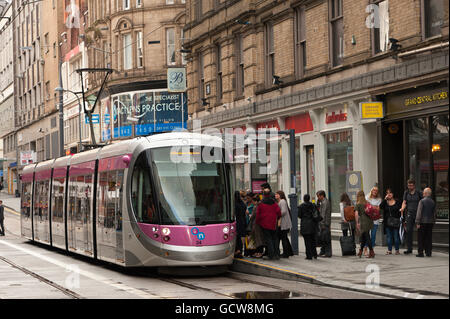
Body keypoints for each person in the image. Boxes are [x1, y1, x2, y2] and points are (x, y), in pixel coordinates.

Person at [255, 186, 281, 260]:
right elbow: (279, 212)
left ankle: (271, 255)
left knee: (268, 239)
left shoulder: (261, 203)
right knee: (275, 239)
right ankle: (277, 254)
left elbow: (258, 214)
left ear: (263, 194)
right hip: (273, 223)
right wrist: (277, 218)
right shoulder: (274, 202)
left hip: (264, 224)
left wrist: (258, 222)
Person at [400, 179, 423, 254]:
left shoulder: (418, 192)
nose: (410, 187)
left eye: (411, 185)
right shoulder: (406, 192)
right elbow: (404, 202)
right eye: (408, 185)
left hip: (418, 213)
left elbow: (422, 202)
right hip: (409, 213)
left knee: (420, 231)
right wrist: (402, 208)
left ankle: (421, 249)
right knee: (409, 230)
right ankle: (409, 248)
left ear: (414, 185)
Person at [415, 188, 437, 257]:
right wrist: (434, 221)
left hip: (422, 222)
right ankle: (428, 252)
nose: (423, 193)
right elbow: (434, 213)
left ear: (426, 193)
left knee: (421, 238)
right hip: (430, 222)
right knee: (429, 237)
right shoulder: (433, 202)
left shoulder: (422, 201)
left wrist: (417, 222)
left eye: (424, 192)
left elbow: (419, 212)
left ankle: (420, 252)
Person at [380, 189, 402, 255]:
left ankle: (397, 250)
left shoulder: (397, 201)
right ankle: (389, 250)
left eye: (390, 193)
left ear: (393, 194)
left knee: (396, 236)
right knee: (389, 236)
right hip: (387, 222)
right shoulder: (385, 202)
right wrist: (384, 199)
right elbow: (380, 207)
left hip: (395, 221)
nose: (389, 194)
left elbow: (400, 210)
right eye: (387, 193)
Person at [355, 190, 375, 258]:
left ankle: (371, 252)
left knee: (367, 237)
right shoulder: (367, 202)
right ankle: (360, 251)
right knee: (364, 236)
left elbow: (356, 214)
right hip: (369, 220)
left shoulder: (358, 204)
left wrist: (357, 222)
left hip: (363, 222)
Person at [298, 194, 318, 260]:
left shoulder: (301, 206)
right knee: (313, 240)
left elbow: (299, 215)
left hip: (305, 224)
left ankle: (309, 255)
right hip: (312, 224)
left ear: (304, 199)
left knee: (307, 241)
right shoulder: (313, 205)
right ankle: (314, 254)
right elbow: (316, 214)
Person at [275, 190, 294, 258]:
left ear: (280, 195)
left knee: (284, 238)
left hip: (284, 223)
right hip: (282, 223)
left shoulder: (282, 201)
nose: (275, 195)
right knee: (284, 238)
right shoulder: (279, 201)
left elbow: (284, 211)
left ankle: (286, 253)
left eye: (277, 194)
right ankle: (288, 252)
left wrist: (276, 214)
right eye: (275, 194)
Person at [365, 186, 382, 255]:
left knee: (373, 235)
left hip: (375, 219)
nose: (375, 192)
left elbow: (378, 209)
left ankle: (371, 249)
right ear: (371, 191)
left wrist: (371, 206)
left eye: (376, 191)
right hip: (368, 219)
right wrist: (373, 207)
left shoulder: (379, 199)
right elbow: (366, 207)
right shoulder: (367, 197)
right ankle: (365, 248)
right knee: (367, 234)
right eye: (374, 190)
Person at [316, 190, 332, 257]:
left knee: (326, 238)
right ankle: (323, 251)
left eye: (318, 196)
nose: (318, 198)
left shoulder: (325, 202)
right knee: (323, 238)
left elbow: (323, 213)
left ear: (322, 195)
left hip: (325, 223)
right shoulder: (323, 202)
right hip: (324, 223)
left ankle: (328, 252)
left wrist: (322, 223)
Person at [234, 191, 247, 258]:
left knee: (237, 237)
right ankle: (240, 251)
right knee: (241, 237)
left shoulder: (235, 204)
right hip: (243, 221)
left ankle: (237, 250)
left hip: (237, 222)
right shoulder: (242, 204)